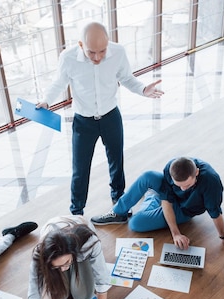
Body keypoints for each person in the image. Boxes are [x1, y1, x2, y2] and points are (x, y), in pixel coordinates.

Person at [37, 21, 164, 216]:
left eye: (102, 51)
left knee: (116, 162)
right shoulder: (68, 57)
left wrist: (143, 89)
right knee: (80, 169)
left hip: (111, 117)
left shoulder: (118, 52)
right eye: (91, 52)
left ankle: (119, 202)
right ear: (81, 45)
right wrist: (46, 101)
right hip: (83, 121)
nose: (97, 57)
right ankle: (76, 212)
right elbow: (58, 83)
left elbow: (127, 78)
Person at [91, 156, 224, 250]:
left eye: (187, 185)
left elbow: (215, 213)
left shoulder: (210, 183)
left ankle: (152, 197)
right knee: (148, 176)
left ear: (197, 173)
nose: (183, 188)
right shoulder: (172, 166)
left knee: (136, 223)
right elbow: (167, 199)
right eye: (178, 185)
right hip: (170, 199)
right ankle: (118, 212)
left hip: (185, 209)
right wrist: (175, 233)